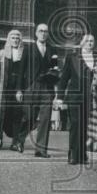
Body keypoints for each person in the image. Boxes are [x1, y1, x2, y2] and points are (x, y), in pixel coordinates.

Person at [54, 33, 97, 165]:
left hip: (91, 97)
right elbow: (64, 79)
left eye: (92, 41)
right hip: (74, 97)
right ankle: (73, 154)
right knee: (75, 124)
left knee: (85, 125)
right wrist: (60, 98)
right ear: (82, 43)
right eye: (88, 41)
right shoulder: (72, 57)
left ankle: (83, 154)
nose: (90, 43)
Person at [24, 22, 58, 158]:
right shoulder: (28, 48)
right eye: (41, 31)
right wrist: (21, 89)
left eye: (45, 31)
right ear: (36, 33)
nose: (43, 33)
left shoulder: (52, 49)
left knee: (45, 119)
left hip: (47, 87)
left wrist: (54, 80)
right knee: (28, 116)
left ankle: (41, 149)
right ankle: (19, 139)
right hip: (32, 85)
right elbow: (22, 70)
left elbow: (55, 68)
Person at [0, 30, 29, 151]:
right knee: (4, 113)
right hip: (5, 88)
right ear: (9, 39)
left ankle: (15, 142)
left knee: (17, 114)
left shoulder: (24, 54)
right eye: (13, 38)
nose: (15, 40)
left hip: (19, 88)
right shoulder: (2, 54)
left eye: (17, 38)